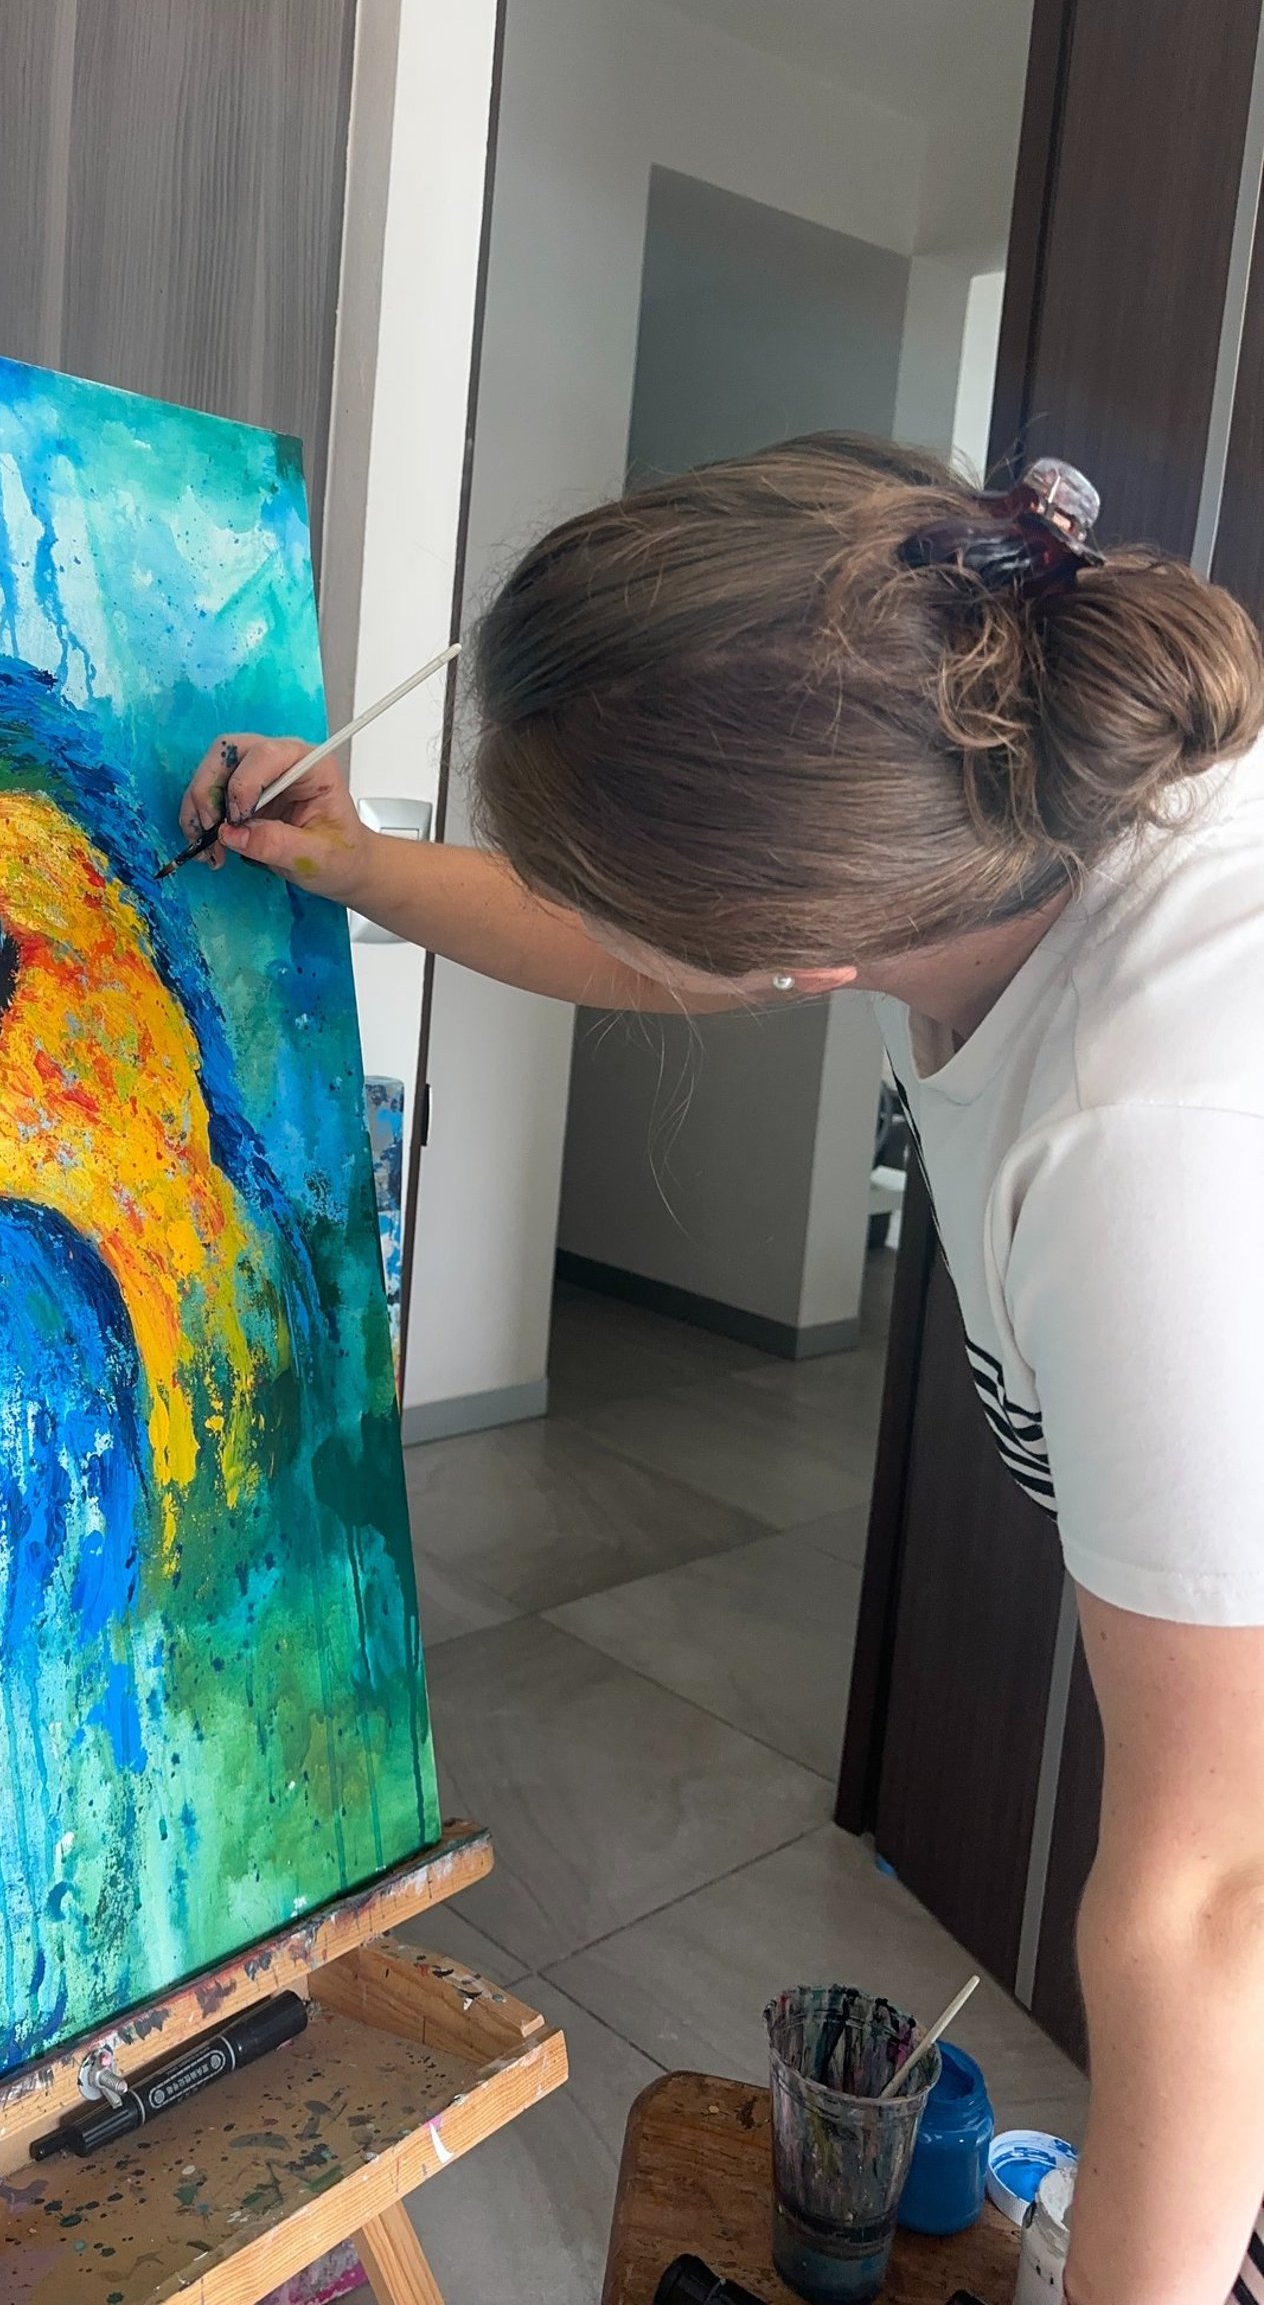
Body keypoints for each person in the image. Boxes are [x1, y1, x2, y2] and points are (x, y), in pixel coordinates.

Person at [177, 434, 1264, 2305]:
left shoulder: (1149, 1130)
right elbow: (660, 954)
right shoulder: (970, 790)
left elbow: (1217, 1900)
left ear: (790, 929)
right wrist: (344, 863)